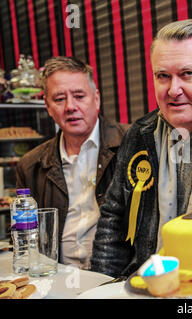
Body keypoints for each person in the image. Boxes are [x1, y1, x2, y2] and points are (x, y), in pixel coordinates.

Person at [90, 19, 192, 277]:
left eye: (187, 74)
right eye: (163, 76)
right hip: (147, 283)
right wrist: (102, 286)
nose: (173, 90)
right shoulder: (140, 133)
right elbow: (113, 220)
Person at [16, 56, 129, 270]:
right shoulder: (31, 165)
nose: (70, 106)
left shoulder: (131, 143)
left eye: (79, 96)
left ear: (96, 99)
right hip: (57, 276)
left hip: (115, 277)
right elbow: (26, 237)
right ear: (48, 106)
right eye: (59, 99)